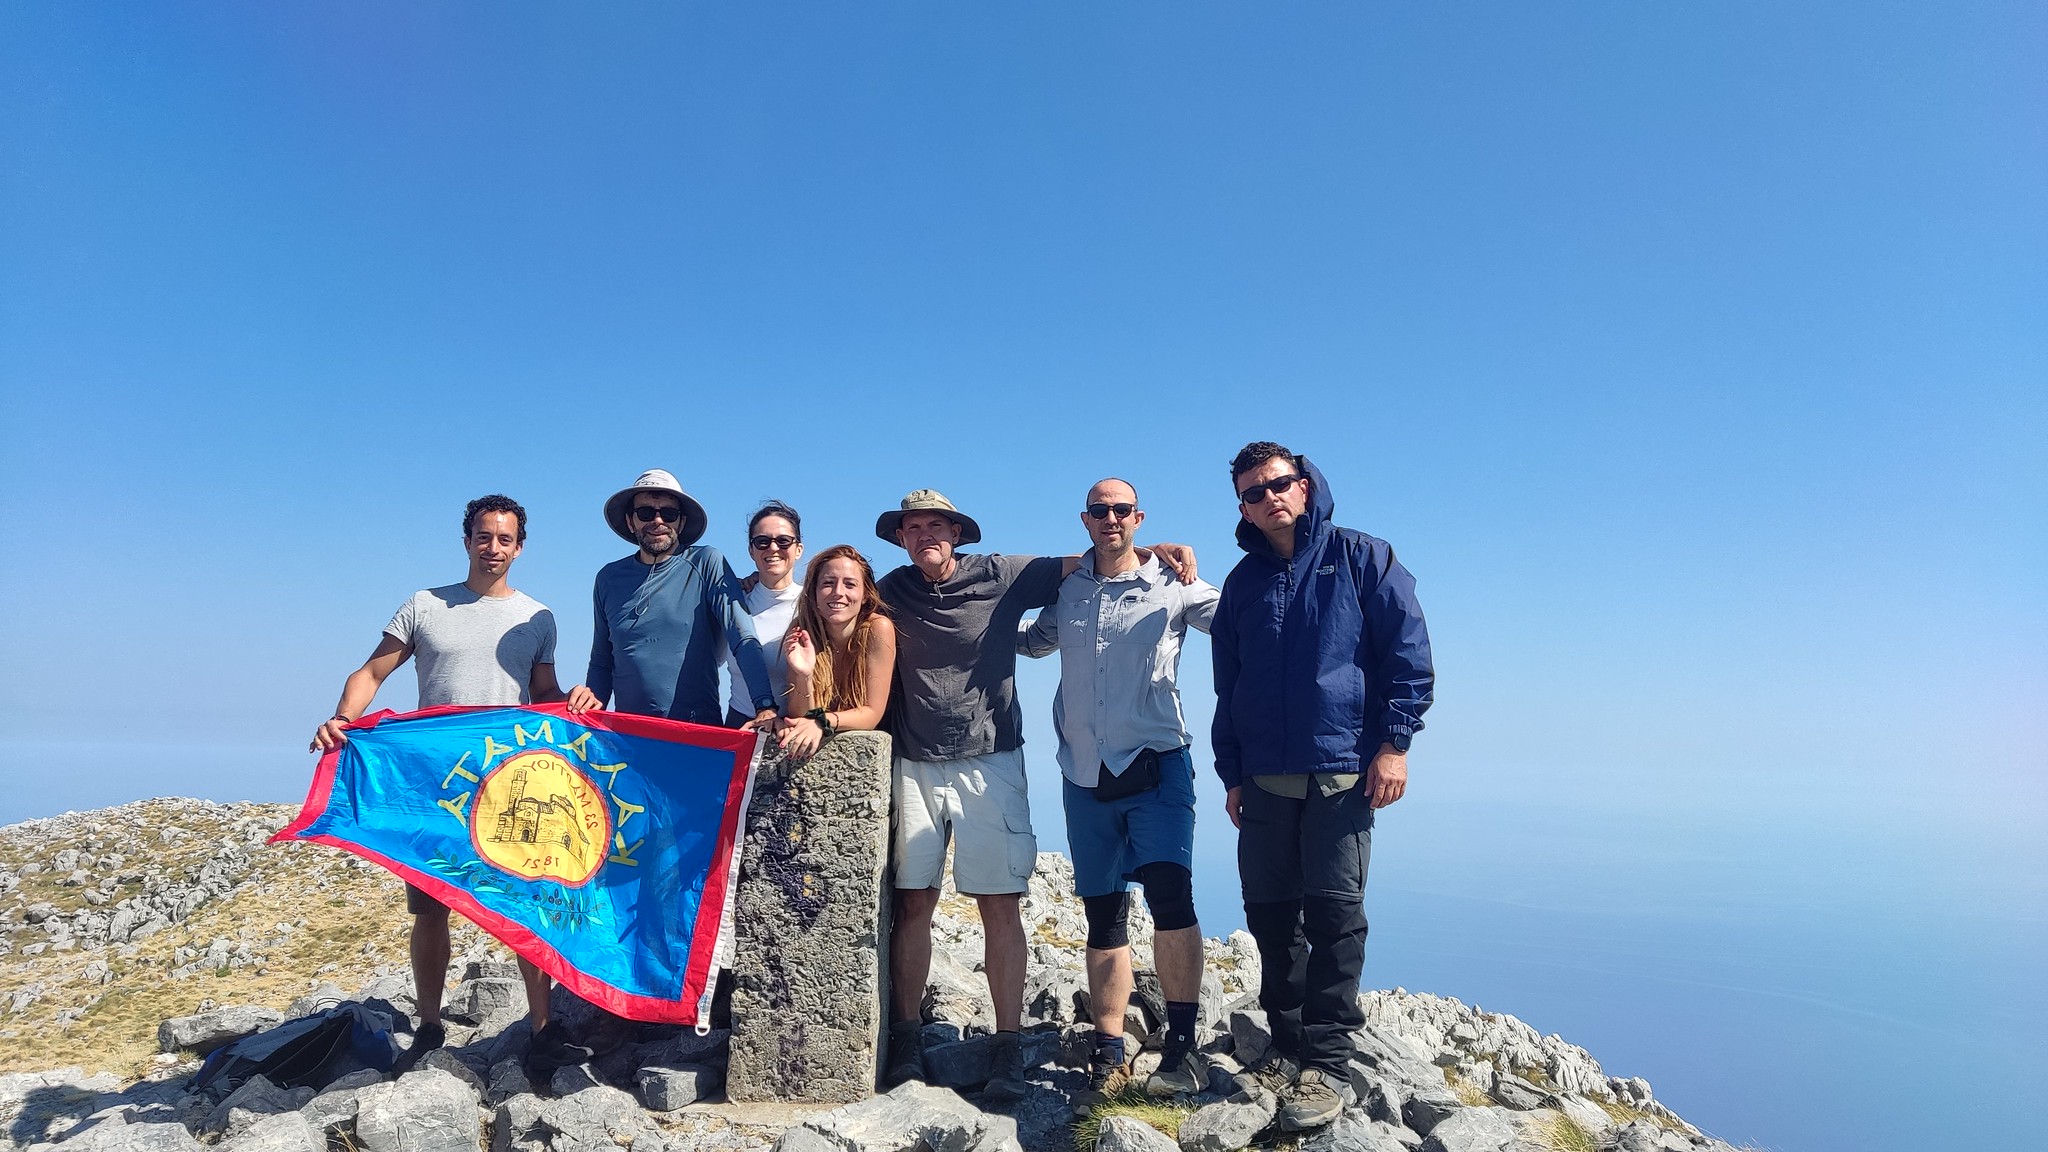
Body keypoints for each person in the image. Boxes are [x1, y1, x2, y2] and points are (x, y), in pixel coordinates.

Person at [875, 488, 1196, 1101]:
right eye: (912, 529)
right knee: (914, 902)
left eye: (936, 526)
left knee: (999, 904)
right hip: (913, 760)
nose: (925, 537)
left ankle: (1006, 1045)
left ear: (957, 532)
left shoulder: (1001, 574)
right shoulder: (889, 589)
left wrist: (1155, 548)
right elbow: (830, 606)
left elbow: (1094, 558)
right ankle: (909, 1040)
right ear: (901, 539)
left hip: (992, 758)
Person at [308, 494, 584, 1076]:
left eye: (505, 539)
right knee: (430, 909)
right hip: (433, 785)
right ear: (467, 541)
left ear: (520, 547)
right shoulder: (424, 605)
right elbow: (372, 670)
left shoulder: (538, 617)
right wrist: (342, 718)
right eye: (484, 537)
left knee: (527, 905)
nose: (494, 548)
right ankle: (429, 1026)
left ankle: (542, 1028)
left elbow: (544, 695)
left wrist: (581, 705)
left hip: (510, 781)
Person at [1211, 442, 1434, 1131]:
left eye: (1279, 484)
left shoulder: (1363, 556)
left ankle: (1329, 1060)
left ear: (1304, 486)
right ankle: (1285, 1041)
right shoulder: (1244, 580)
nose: (1269, 498)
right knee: (1271, 913)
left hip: (1342, 767)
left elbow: (1408, 653)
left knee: (1334, 913)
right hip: (1266, 776)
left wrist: (1394, 744)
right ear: (1243, 506)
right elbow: (1230, 683)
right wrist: (1234, 771)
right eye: (1253, 492)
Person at [1018, 478, 1219, 1105]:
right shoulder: (1070, 591)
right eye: (1100, 510)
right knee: (1103, 912)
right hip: (1084, 772)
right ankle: (1109, 1047)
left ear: (1139, 517)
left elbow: (1241, 621)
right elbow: (1029, 641)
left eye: (1122, 509)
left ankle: (1180, 1047)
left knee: (1170, 897)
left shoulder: (1173, 582)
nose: (1111, 518)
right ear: (1085, 519)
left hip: (1158, 768)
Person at [566, 469, 778, 727]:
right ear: (631, 522)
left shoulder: (707, 562)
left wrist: (765, 705)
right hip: (627, 738)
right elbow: (602, 660)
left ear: (681, 522)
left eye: (669, 514)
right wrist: (589, 715)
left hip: (695, 735)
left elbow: (741, 636)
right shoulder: (607, 578)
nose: (657, 521)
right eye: (645, 513)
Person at [774, 543, 896, 758]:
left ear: (866, 594)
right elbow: (800, 716)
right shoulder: (802, 630)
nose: (838, 593)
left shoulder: (877, 629)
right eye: (828, 583)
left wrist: (822, 721)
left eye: (850, 584)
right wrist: (804, 675)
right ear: (814, 592)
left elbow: (872, 713)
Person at [720, 501, 806, 726]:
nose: (773, 548)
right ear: (751, 550)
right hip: (740, 725)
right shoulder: (733, 605)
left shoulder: (813, 607)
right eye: (762, 542)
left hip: (794, 729)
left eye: (783, 541)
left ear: (798, 549)